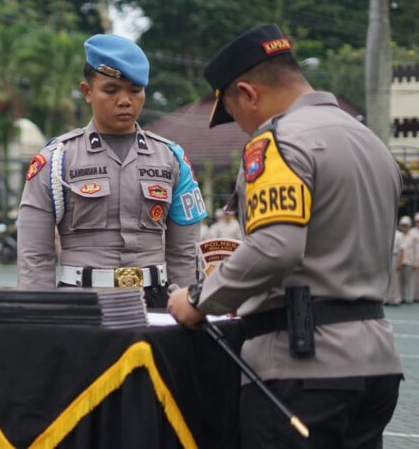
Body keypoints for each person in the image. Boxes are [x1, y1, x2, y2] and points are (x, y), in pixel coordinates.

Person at [168, 24, 402, 448]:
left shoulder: (277, 142)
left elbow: (275, 247)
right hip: (377, 362)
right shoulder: (370, 142)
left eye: (234, 113)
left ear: (248, 93)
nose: (241, 128)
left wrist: (199, 299)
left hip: (303, 366)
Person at [17, 34, 207, 308]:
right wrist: (41, 315)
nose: (125, 100)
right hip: (82, 302)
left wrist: (188, 307)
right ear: (87, 92)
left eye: (135, 90)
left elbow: (184, 253)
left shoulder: (172, 159)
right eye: (111, 90)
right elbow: (34, 256)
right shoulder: (55, 160)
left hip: (154, 302)